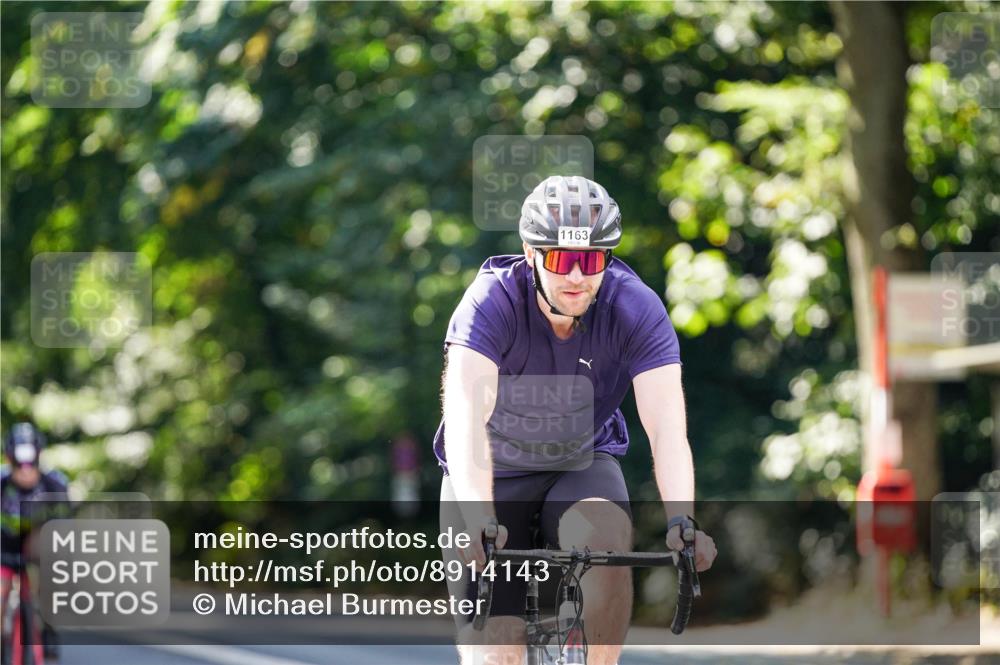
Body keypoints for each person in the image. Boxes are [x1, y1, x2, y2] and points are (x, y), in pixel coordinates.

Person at [435, 175, 718, 665]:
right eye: (561, 259)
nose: (576, 276)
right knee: (497, 645)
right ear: (530, 252)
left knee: (607, 544)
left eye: (591, 260)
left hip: (580, 462)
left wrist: (681, 521)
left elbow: (668, 429)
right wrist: (480, 519)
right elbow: (465, 420)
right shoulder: (490, 302)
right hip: (491, 472)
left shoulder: (636, 308)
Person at [1, 422, 71, 662]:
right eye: (19, 465)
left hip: (37, 547)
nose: (26, 471)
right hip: (3, 546)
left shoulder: (55, 483)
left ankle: (48, 627)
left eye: (31, 464)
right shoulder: (1, 483)